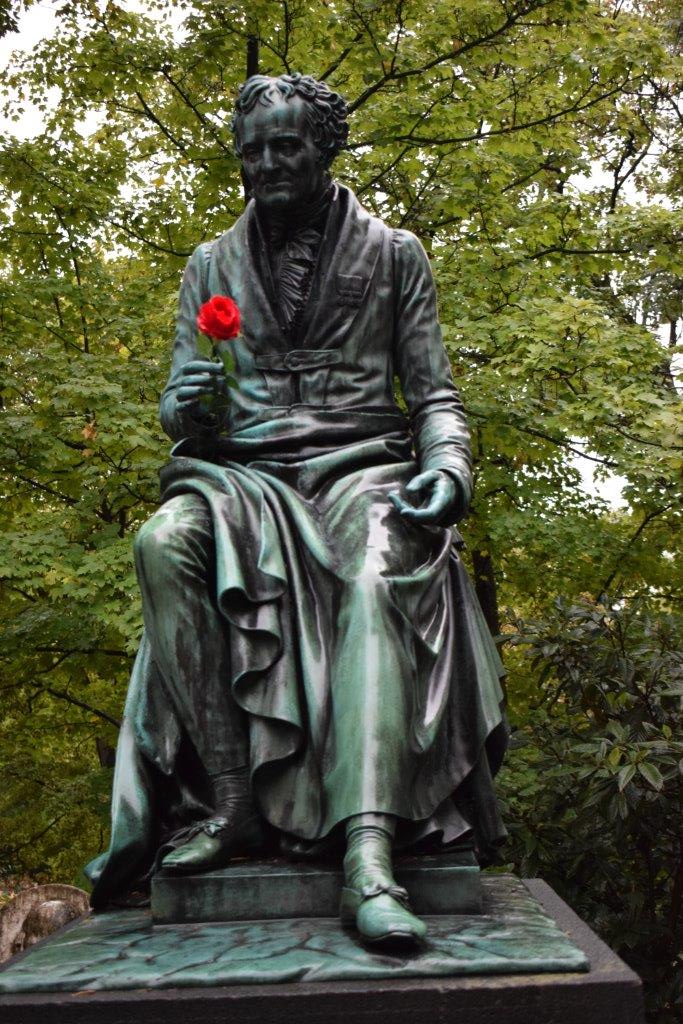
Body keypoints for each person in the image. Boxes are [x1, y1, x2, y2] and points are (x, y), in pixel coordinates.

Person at [87, 73, 507, 947]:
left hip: (362, 470)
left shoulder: (394, 253)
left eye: (285, 146)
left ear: (324, 148)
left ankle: (368, 853)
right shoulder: (208, 265)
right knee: (162, 542)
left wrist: (449, 465)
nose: (267, 163)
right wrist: (185, 408)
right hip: (245, 478)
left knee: (374, 575)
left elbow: (434, 395)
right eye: (252, 151)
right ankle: (231, 800)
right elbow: (181, 404)